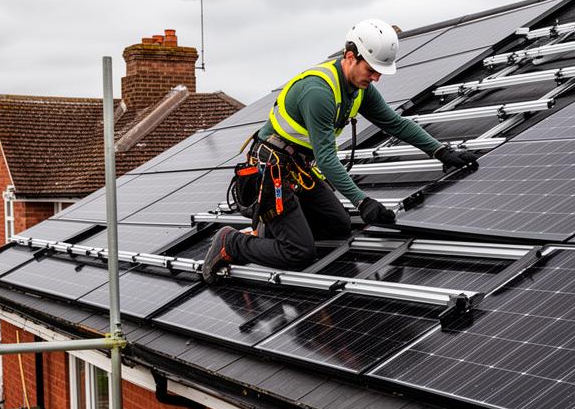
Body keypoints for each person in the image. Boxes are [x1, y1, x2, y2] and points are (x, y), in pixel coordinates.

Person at [202, 18, 477, 279]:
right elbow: (326, 158)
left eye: (379, 72)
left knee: (338, 227)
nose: (376, 78)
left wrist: (441, 151)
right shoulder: (318, 92)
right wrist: (362, 202)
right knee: (299, 253)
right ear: (350, 56)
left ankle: (273, 231)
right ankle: (231, 242)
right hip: (271, 175)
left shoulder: (359, 89)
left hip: (297, 171)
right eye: (371, 70)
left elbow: (394, 123)